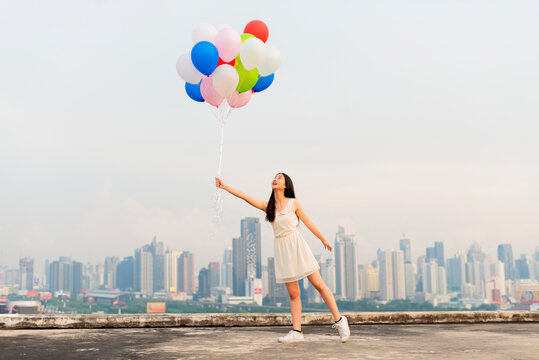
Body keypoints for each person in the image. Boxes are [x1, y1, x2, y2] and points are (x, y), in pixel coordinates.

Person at [215, 172, 351, 343]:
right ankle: (297, 332)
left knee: (318, 284)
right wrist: (224, 186)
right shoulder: (268, 207)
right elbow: (246, 198)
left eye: (279, 177)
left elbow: (308, 222)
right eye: (274, 177)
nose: (275, 179)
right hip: (282, 250)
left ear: (286, 184)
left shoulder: (294, 203)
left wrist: (323, 239)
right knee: (293, 293)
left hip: (297, 246)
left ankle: (340, 321)